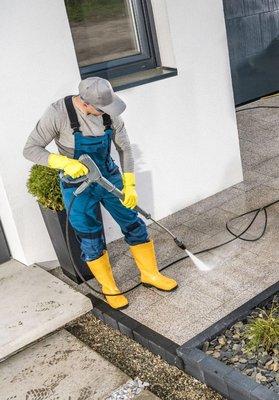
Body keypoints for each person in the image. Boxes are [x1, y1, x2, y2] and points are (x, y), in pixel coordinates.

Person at [23, 77, 178, 309]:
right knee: (90, 237)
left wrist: (130, 183)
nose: (107, 112)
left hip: (109, 176)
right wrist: (62, 162)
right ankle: (110, 288)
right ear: (85, 104)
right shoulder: (57, 113)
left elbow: (124, 148)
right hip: (77, 185)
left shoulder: (110, 111)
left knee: (133, 222)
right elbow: (30, 149)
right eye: (100, 109)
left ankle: (150, 275)